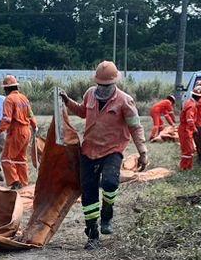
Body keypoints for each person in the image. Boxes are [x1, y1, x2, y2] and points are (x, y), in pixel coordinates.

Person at [61, 61, 148, 249]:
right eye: (100, 85)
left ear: (114, 83)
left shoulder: (125, 101)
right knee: (88, 193)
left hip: (112, 150)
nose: (103, 89)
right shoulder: (90, 94)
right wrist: (68, 102)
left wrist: (143, 152)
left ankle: (107, 213)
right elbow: (83, 112)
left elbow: (135, 127)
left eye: (107, 85)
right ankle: (92, 235)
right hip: (89, 151)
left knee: (109, 183)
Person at [0, 74, 35, 189]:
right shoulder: (23, 98)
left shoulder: (9, 99)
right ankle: (23, 182)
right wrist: (34, 125)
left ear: (7, 88)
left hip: (16, 132)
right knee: (20, 159)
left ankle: (15, 182)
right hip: (27, 131)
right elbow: (30, 114)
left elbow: (7, 119)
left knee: (6, 158)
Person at [178, 85, 201, 171]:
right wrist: (194, 129)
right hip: (185, 129)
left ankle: (188, 167)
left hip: (186, 129)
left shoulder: (189, 102)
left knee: (190, 149)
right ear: (200, 97)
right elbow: (189, 120)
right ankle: (184, 168)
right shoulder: (192, 105)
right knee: (188, 150)